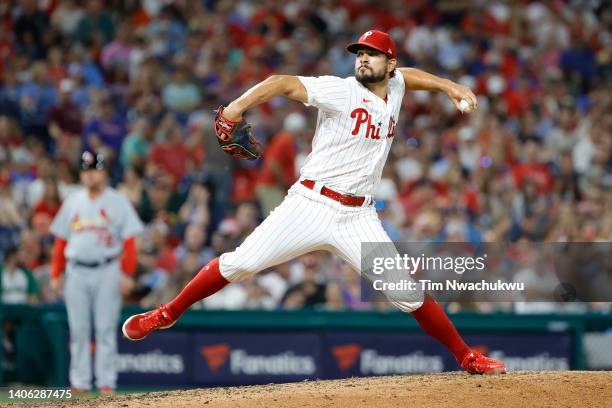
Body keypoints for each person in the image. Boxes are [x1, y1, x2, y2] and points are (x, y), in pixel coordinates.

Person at [123, 30, 506, 374]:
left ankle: (466, 357)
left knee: (405, 292)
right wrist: (236, 108)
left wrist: (448, 86)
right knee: (241, 263)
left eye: (372, 54)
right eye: (359, 53)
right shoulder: (342, 90)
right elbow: (281, 83)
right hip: (311, 204)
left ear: (390, 64)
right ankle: (167, 313)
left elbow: (411, 77)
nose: (362, 59)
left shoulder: (397, 86)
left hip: (359, 215)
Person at [50, 151, 144, 393]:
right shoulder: (73, 200)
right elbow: (61, 241)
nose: (90, 175)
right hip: (76, 271)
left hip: (108, 269)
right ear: (81, 174)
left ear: (103, 172)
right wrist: (55, 273)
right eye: (86, 170)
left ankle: (106, 383)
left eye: (94, 170)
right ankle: (79, 382)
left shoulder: (116, 200)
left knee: (105, 329)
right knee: (78, 329)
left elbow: (130, 241)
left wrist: (127, 273)